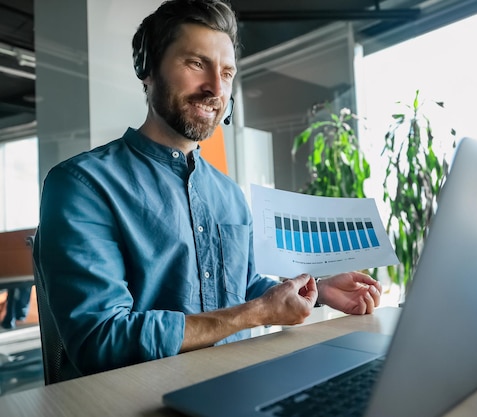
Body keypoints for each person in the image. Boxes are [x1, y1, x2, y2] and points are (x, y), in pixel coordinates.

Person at [34, 0, 382, 380]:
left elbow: (243, 286)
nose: (216, 88)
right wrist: (256, 313)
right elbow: (99, 340)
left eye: (227, 72)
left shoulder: (229, 195)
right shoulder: (82, 185)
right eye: (196, 63)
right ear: (147, 69)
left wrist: (319, 289)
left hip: (236, 384)